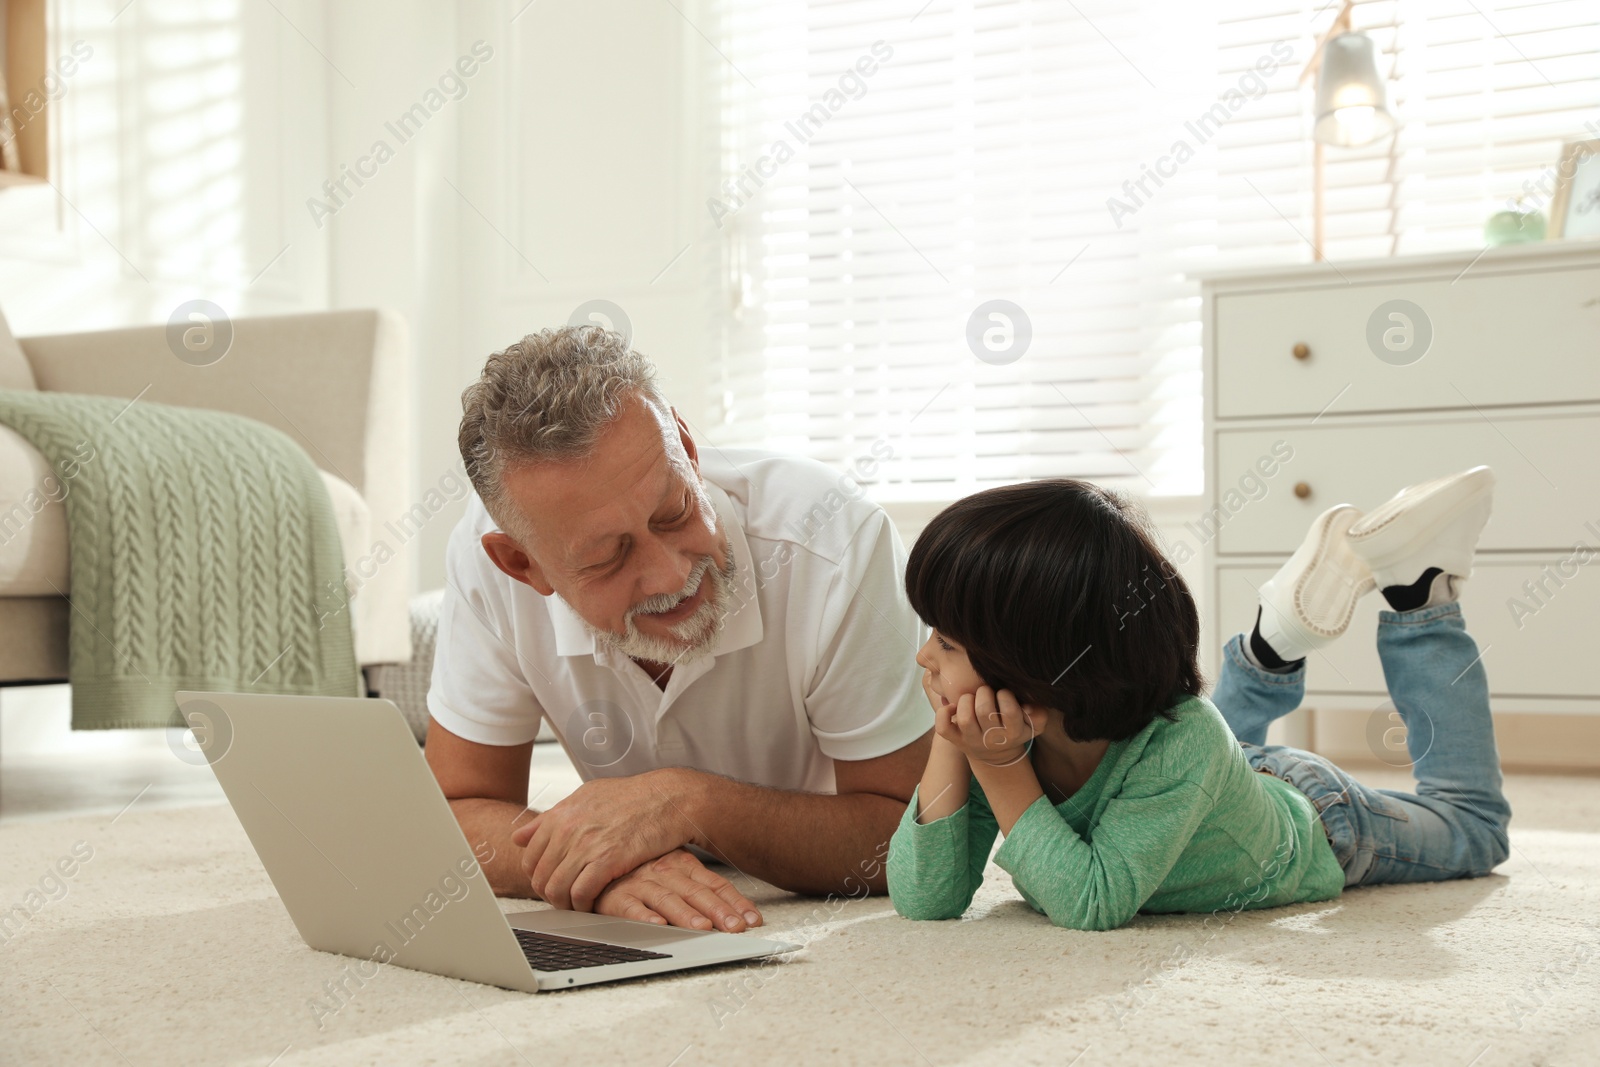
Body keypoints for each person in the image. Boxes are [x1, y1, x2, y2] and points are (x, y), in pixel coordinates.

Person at [425, 326, 932, 933]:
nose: (672, 573)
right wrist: (597, 869)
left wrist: (690, 804)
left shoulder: (835, 541)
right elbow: (452, 809)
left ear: (687, 449)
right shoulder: (489, 561)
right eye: (608, 558)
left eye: (675, 512)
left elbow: (909, 834)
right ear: (523, 566)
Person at [885, 466, 1511, 931]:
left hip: (1320, 821)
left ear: (1035, 671)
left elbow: (1091, 901)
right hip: (1213, 781)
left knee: (1476, 830)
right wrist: (952, 743)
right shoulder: (1004, 727)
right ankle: (1272, 646)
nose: (923, 658)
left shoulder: (1178, 739)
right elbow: (925, 899)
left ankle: (1420, 594)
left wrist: (999, 768)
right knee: (1201, 744)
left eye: (944, 642)